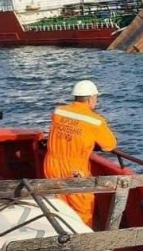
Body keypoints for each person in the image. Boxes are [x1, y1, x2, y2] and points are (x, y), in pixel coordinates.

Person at [43, 80, 117, 227]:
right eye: (96, 98)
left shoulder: (59, 111)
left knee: (59, 207)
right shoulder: (95, 121)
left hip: (51, 164)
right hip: (75, 170)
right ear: (90, 99)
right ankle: (82, 242)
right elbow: (110, 145)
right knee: (82, 209)